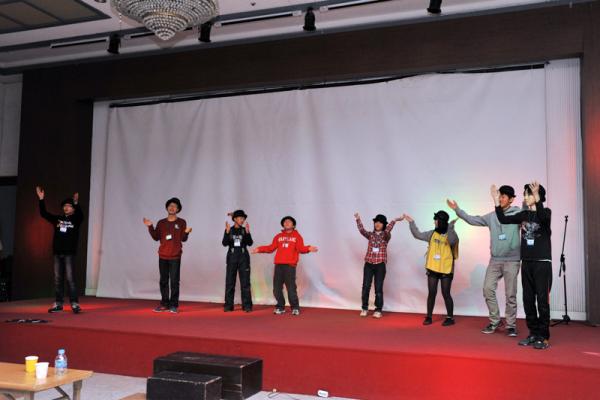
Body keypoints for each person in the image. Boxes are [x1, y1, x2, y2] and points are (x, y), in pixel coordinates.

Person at [447, 185, 521, 337]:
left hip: (512, 260)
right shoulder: (492, 216)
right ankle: (495, 320)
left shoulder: (518, 214)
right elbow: (473, 220)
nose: (500, 199)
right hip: (495, 260)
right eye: (499, 196)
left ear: (511, 199)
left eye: (503, 196)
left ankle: (511, 325)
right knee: (487, 289)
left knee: (511, 295)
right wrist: (457, 210)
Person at [493, 182, 552, 350]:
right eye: (525, 194)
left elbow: (543, 218)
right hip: (526, 262)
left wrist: (537, 197)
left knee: (542, 301)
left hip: (542, 263)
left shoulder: (546, 212)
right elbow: (503, 219)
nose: (525, 197)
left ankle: (543, 336)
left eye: (528, 194)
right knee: (528, 300)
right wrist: (496, 201)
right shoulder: (524, 215)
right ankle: (533, 333)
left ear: (537, 196)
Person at [252, 216, 318, 315]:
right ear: (283, 225)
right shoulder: (278, 236)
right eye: (285, 222)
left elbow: (301, 248)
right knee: (276, 289)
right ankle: (280, 307)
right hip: (279, 266)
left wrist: (308, 248)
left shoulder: (297, 236)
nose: (286, 223)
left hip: (290, 266)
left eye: (289, 222)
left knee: (291, 288)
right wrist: (259, 249)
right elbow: (271, 248)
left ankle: (295, 308)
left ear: (293, 225)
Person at [404, 211, 459, 326]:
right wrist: (411, 222)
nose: (434, 222)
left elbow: (453, 240)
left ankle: (450, 317)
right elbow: (418, 235)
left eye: (436, 220)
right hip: (433, 267)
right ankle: (429, 316)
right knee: (432, 293)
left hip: (446, 268)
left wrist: (450, 227)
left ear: (441, 221)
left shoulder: (451, 233)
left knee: (446, 293)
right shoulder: (431, 234)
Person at [36, 186, 84, 314]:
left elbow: (81, 215)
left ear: (73, 209)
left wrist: (76, 203)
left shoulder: (76, 220)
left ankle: (74, 303)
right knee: (58, 279)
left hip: (69, 253)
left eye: (69, 206)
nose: (66, 208)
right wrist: (41, 199)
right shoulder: (58, 219)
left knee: (70, 279)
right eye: (65, 206)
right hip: (57, 253)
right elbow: (44, 214)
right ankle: (58, 303)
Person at [143, 197, 192, 314]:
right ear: (167, 208)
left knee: (174, 282)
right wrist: (150, 226)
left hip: (175, 256)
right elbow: (156, 237)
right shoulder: (161, 223)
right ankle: (164, 304)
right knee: (163, 281)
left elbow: (183, 239)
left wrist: (186, 232)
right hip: (163, 256)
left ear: (178, 209)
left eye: (174, 206)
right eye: (170, 205)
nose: (172, 208)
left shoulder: (181, 222)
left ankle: (173, 305)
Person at [354, 213, 404, 318]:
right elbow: (362, 230)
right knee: (366, 286)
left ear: (384, 224)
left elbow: (388, 229)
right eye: (376, 222)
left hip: (380, 265)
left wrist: (394, 220)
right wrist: (358, 219)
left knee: (378, 288)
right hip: (368, 264)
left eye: (380, 222)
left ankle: (378, 310)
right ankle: (364, 308)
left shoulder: (386, 235)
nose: (377, 224)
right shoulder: (370, 235)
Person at [222, 210, 253, 312]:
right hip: (232, 258)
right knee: (230, 282)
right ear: (235, 219)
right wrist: (226, 233)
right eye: (240, 218)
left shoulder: (244, 230)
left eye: (243, 218)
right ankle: (228, 305)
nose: (242, 220)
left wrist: (248, 233)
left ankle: (247, 306)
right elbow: (224, 243)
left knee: (245, 283)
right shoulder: (229, 230)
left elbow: (250, 243)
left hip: (243, 258)